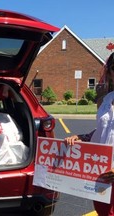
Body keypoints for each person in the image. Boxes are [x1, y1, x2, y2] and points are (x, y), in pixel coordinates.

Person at [65, 52, 114, 215]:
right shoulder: (105, 100)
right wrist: (82, 138)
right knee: (103, 211)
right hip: (101, 171)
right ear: (109, 72)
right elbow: (104, 130)